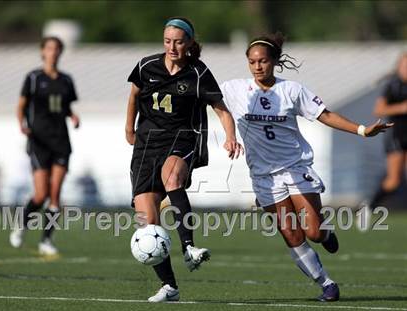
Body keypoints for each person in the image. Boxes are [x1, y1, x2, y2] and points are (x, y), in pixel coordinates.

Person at [220, 33, 392, 302]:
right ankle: (327, 283)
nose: (257, 67)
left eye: (263, 61)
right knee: (292, 234)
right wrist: (229, 135)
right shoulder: (234, 89)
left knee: (312, 231)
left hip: (295, 168)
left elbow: (326, 115)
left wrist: (361, 130)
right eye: (252, 62)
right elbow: (212, 101)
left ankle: (324, 233)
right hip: (264, 177)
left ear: (274, 61)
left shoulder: (292, 90)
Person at [125, 17, 242, 302]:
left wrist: (230, 136)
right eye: (168, 41)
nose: (172, 47)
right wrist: (129, 128)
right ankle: (170, 287)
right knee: (147, 222)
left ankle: (189, 247)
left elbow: (221, 109)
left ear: (189, 42)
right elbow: (133, 96)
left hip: (182, 138)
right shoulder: (145, 66)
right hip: (146, 145)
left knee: (172, 175)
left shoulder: (197, 72)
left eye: (178, 41)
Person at [10, 36, 80, 256]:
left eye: (57, 49)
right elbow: (21, 106)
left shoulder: (66, 80)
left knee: (55, 194)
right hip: (39, 141)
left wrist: (73, 116)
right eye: (50, 48)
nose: (54, 52)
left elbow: (65, 106)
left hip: (60, 141)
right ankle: (21, 224)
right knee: (40, 195)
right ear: (43, 52)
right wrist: (22, 124)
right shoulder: (33, 78)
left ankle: (46, 240)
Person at [370, 53, 407, 209]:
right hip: (397, 136)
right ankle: (368, 208)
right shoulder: (392, 85)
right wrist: (402, 108)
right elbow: (378, 110)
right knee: (393, 181)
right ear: (399, 67)